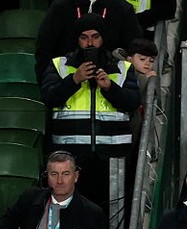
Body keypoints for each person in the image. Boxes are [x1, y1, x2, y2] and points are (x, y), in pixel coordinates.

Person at [39, 13, 141, 213]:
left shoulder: (121, 67)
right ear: (77, 40)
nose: (90, 42)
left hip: (112, 159)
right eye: (84, 37)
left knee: (109, 217)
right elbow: (49, 97)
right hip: (71, 158)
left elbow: (133, 102)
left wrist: (110, 87)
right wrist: (74, 80)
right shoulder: (60, 65)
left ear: (103, 38)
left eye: (95, 36)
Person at [34, 0, 142, 79]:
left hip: (111, 91)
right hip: (66, 90)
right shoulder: (60, 7)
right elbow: (44, 49)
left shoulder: (122, 9)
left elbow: (136, 51)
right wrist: (48, 85)